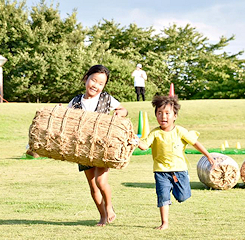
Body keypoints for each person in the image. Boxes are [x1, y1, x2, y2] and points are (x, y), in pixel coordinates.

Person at [137, 95, 215, 230]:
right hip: (161, 171)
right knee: (162, 196)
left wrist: (208, 156)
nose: (163, 116)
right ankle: (164, 223)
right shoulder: (155, 133)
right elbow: (144, 146)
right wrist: (135, 141)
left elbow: (195, 143)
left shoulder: (180, 131)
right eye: (159, 113)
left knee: (183, 196)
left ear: (175, 116)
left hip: (179, 170)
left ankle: (175, 189)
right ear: (156, 115)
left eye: (167, 113)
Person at [68, 65, 128, 226]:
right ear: (86, 78)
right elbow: (66, 119)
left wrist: (120, 113)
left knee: (101, 181)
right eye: (93, 80)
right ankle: (102, 216)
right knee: (93, 186)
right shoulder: (74, 102)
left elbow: (123, 109)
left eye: (100, 83)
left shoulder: (106, 99)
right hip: (83, 150)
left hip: (102, 148)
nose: (96, 85)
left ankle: (109, 206)